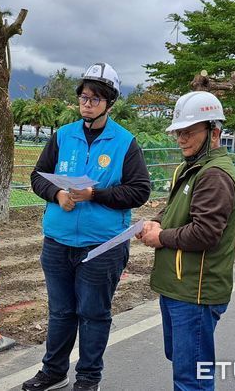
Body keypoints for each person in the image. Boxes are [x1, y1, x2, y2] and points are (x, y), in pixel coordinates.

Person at [24, 63, 151, 391]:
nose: (87, 103)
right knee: (61, 311)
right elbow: (38, 176)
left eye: (95, 98)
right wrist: (57, 193)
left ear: (109, 103)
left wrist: (96, 193)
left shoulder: (125, 142)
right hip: (57, 242)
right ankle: (53, 371)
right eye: (83, 97)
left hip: (102, 246)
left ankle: (88, 379)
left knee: (94, 313)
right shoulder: (63, 136)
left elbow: (140, 190)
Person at [136, 91, 235, 391]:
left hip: (196, 290)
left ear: (214, 132)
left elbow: (206, 233)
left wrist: (160, 237)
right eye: (179, 132)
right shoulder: (191, 168)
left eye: (189, 132)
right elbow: (173, 207)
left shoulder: (215, 175)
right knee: (183, 364)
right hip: (178, 286)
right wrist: (157, 220)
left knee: (192, 377)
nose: (182, 139)